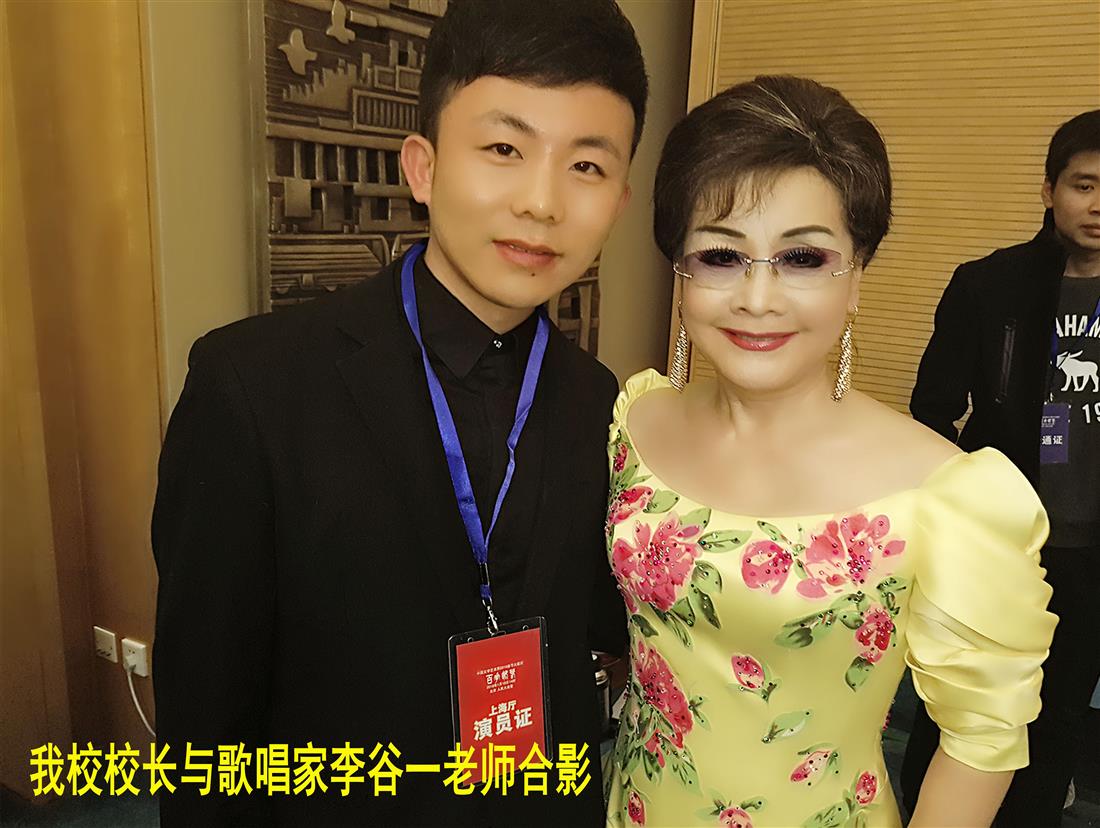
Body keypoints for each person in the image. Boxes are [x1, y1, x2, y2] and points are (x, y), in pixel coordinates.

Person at [151, 1, 647, 825]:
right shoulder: (253, 385)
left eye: (586, 166)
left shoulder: (604, 403)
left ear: (619, 202)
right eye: (504, 149)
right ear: (423, 167)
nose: (542, 202)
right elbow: (205, 717)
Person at [602, 75, 1056, 828]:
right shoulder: (636, 420)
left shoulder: (947, 496)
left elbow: (981, 741)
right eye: (720, 256)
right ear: (680, 273)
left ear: (856, 277)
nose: (757, 298)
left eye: (803, 259)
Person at [902, 110, 1100, 826]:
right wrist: (964, 517)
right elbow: (931, 410)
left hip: (1092, 553)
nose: (1098, 204)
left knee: (1059, 713)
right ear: (1050, 190)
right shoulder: (989, 285)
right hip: (998, 547)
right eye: (1084, 184)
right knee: (957, 708)